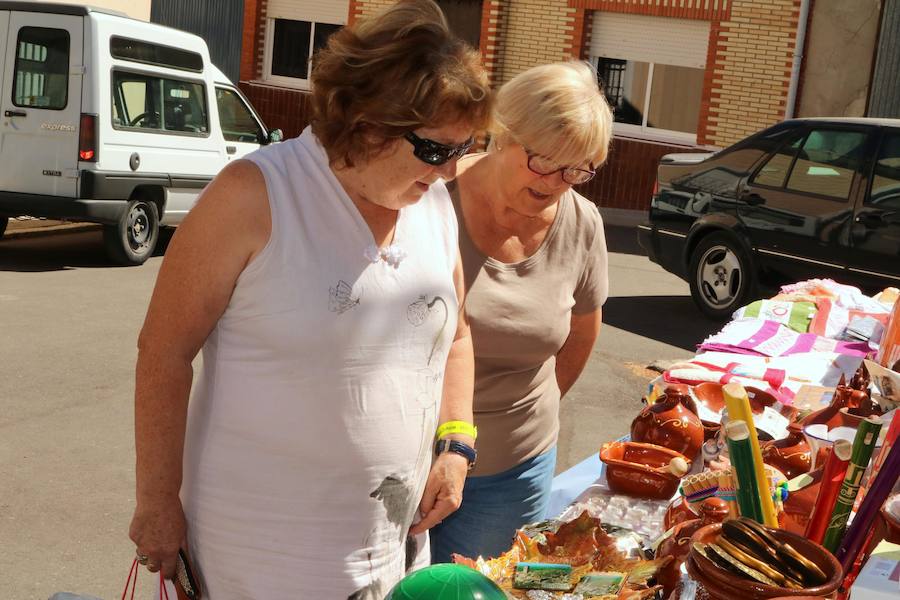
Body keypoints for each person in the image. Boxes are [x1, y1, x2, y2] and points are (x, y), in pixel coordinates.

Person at [128, 1, 492, 597]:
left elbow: (456, 336)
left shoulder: (430, 202)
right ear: (366, 123)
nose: (452, 171)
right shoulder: (255, 195)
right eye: (435, 150)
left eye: (466, 147)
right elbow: (163, 353)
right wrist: (156, 502)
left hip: (391, 539)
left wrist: (456, 443)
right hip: (263, 551)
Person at [430, 61, 613, 563]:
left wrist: (527, 417)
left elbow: (581, 333)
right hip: (407, 459)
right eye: (545, 161)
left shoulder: (582, 223)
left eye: (577, 169)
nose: (557, 182)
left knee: (482, 591)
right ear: (503, 134)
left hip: (512, 473)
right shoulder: (429, 197)